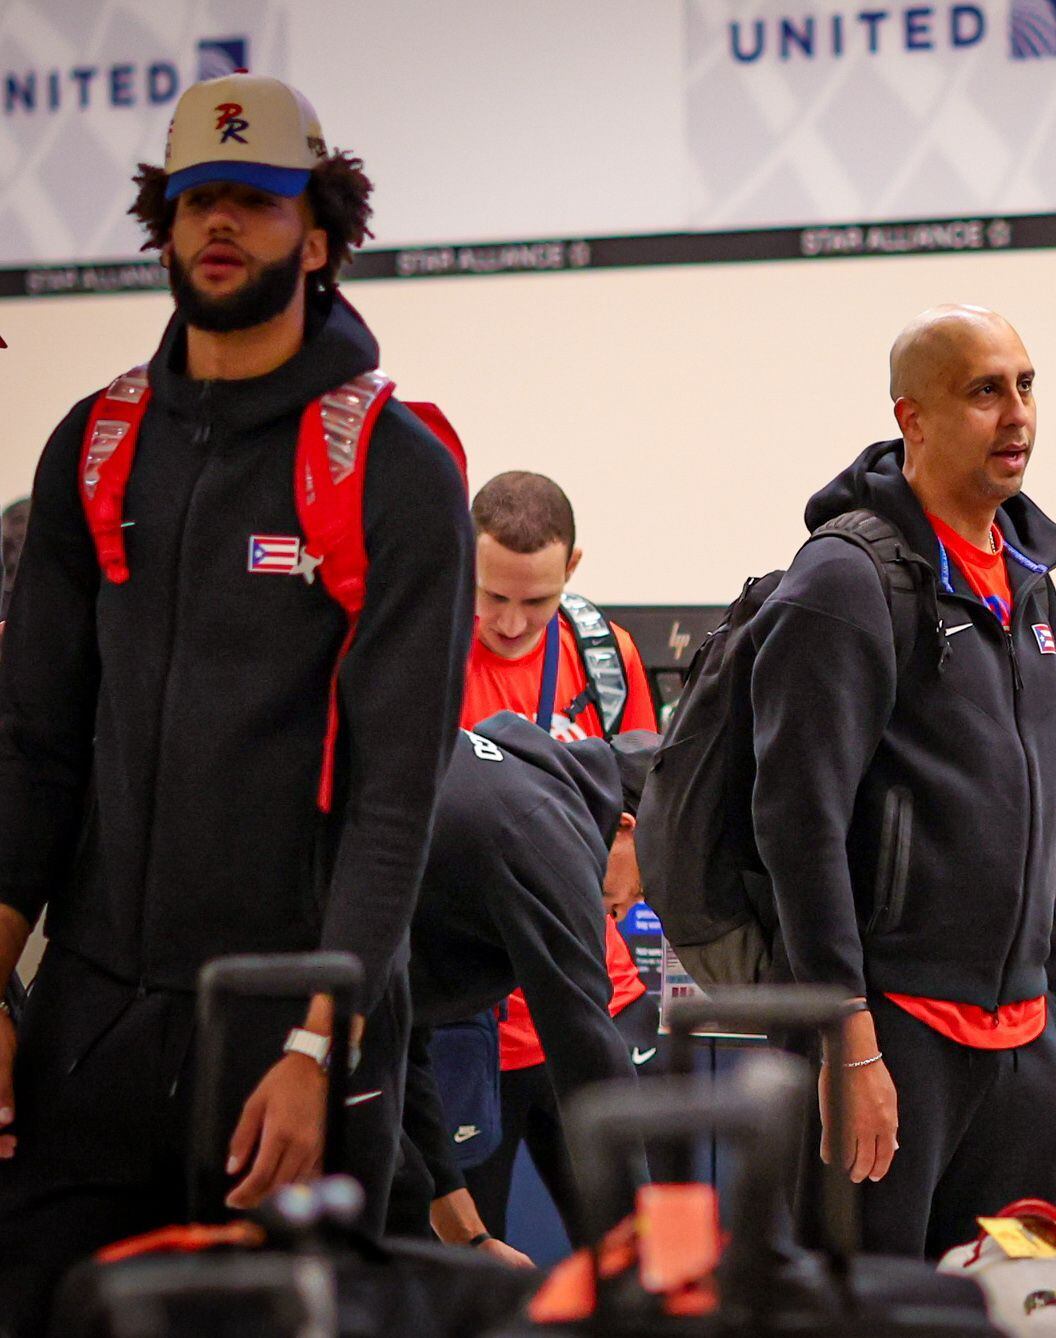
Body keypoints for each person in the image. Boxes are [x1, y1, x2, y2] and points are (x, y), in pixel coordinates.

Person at [0, 72, 472, 1334]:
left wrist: (320, 1044)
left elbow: (393, 801)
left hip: (292, 1038)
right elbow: (33, 751)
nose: (222, 223)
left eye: (258, 201)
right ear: (164, 224)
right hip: (92, 1022)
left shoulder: (397, 471)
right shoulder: (92, 444)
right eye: (198, 197)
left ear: (316, 236)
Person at [750, 304, 1056, 1259]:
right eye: (983, 392)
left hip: (1022, 1044)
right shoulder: (845, 581)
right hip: (891, 1041)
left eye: (1025, 386)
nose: (1015, 414)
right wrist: (847, 1042)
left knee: (1005, 1308)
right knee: (866, 1311)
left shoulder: (1030, 577)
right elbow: (798, 827)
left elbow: (1047, 809)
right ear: (914, 419)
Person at [456, 470, 660, 1239]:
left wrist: (630, 846)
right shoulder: (421, 654)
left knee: (635, 1258)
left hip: (594, 1003)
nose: (511, 623)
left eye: (536, 601)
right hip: (472, 1023)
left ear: (572, 567)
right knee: (470, 1269)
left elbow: (645, 790)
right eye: (492, 597)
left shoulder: (603, 655)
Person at [393, 715, 657, 1260]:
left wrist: (469, 1235)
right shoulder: (541, 827)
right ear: (626, 827)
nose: (628, 908)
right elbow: (589, 1055)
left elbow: (399, 1019)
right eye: (642, 886)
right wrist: (645, 1255)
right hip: (280, 985)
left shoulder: (512, 790)